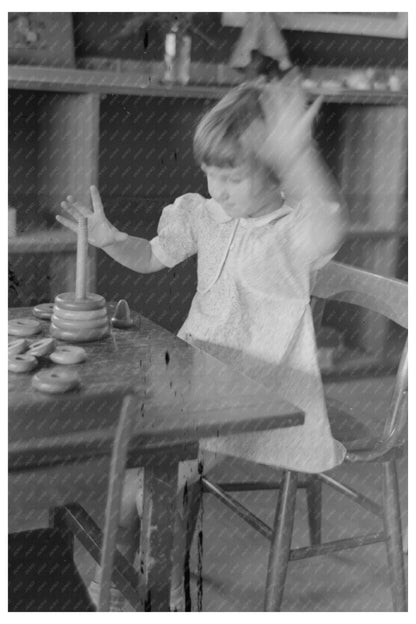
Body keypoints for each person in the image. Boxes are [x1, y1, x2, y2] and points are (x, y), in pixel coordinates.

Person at [58, 70, 350, 610]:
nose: (216, 189)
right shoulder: (206, 213)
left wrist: (297, 155)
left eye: (232, 177)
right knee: (130, 451)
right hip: (199, 370)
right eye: (209, 173)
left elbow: (329, 230)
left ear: (276, 173)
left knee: (148, 481)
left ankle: (147, 588)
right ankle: (131, 570)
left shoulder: (294, 229)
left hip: (262, 387)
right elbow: (150, 257)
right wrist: (111, 239)